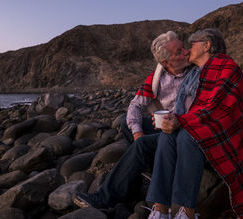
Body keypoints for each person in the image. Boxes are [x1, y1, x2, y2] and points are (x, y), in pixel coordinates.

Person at [146, 28, 243, 219]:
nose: (189, 49)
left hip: (229, 136)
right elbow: (193, 109)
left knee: (187, 136)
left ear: (206, 45)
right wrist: (171, 120)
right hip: (203, 127)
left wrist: (180, 121)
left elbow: (215, 110)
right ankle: (160, 209)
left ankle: (186, 211)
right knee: (167, 137)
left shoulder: (226, 67)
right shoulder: (197, 72)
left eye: (192, 44)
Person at [74, 30, 198, 209]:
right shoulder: (157, 79)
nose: (186, 52)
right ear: (165, 62)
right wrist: (138, 133)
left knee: (141, 146)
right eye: (179, 52)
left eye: (183, 48)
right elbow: (135, 106)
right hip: (166, 126)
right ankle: (143, 172)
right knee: (128, 123)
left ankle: (104, 198)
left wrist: (142, 140)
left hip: (185, 129)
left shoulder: (195, 73)